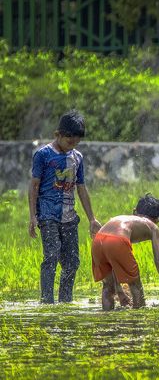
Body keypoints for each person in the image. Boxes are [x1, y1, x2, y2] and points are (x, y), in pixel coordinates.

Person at [28, 110, 101, 304]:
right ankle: (46, 301)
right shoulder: (43, 155)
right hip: (47, 214)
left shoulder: (77, 157)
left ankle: (65, 301)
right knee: (51, 256)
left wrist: (92, 218)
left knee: (72, 262)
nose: (72, 144)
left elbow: (81, 188)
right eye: (69, 140)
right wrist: (33, 216)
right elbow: (34, 185)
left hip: (69, 216)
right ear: (57, 135)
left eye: (76, 141)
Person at [91, 194, 159, 310]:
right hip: (118, 241)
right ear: (158, 219)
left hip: (98, 240)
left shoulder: (122, 218)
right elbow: (158, 260)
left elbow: (113, 260)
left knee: (108, 287)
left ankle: (106, 318)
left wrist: (119, 290)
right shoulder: (153, 227)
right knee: (135, 285)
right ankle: (138, 321)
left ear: (134, 212)